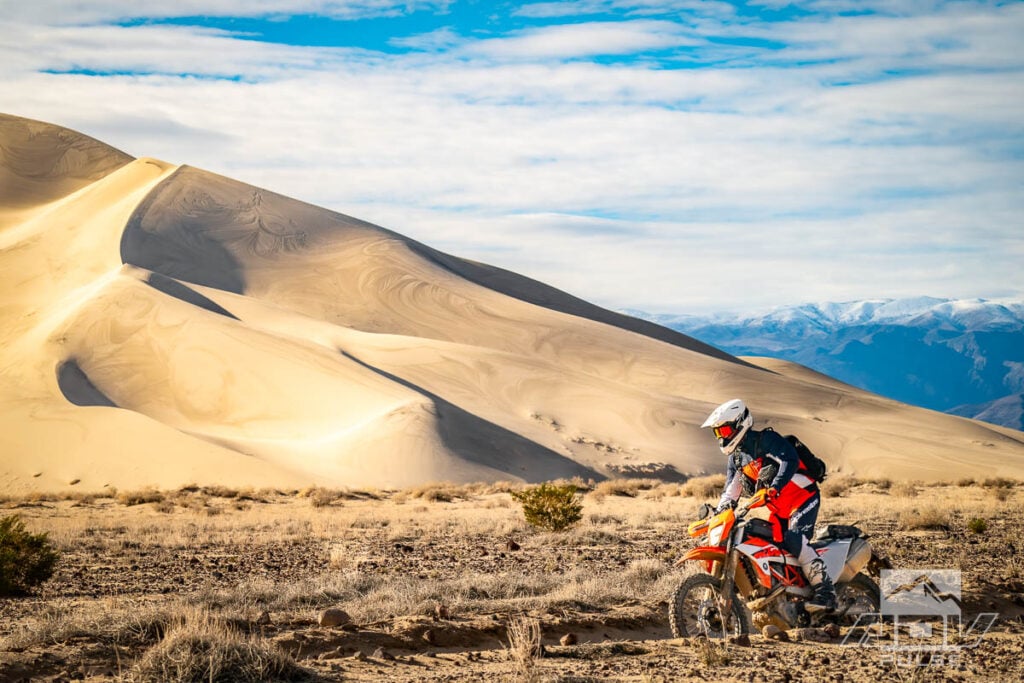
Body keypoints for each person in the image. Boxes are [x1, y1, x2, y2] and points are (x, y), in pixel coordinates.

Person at [701, 398, 837, 611]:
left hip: (802, 498)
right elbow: (731, 489)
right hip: (778, 509)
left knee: (794, 539)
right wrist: (720, 511)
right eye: (718, 433)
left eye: (725, 431)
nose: (722, 437)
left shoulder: (766, 440)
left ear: (740, 424)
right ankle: (788, 594)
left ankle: (826, 591)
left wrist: (774, 488)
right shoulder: (736, 459)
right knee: (769, 546)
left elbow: (789, 460)